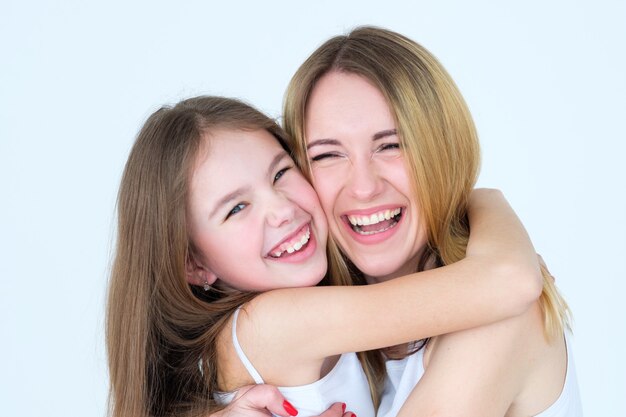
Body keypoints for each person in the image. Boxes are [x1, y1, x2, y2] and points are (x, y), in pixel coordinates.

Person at [106, 96, 542, 417]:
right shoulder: (270, 324)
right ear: (194, 265)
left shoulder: (292, 319)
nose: (281, 209)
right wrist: (484, 200)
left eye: (281, 173)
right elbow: (510, 281)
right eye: (237, 208)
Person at [282, 26, 581, 416]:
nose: (363, 187)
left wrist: (483, 198)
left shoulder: (502, 316)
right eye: (327, 155)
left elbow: (510, 283)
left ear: (442, 151)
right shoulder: (312, 330)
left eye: (391, 145)